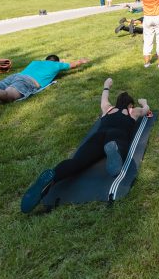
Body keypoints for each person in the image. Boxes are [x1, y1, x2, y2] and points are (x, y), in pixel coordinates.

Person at [21, 78, 149, 213]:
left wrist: (107, 85)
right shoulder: (132, 112)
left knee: (77, 162)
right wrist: (143, 102)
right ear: (130, 105)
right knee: (120, 145)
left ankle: (55, 175)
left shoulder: (107, 108)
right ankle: (114, 151)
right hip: (116, 135)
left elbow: (104, 96)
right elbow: (146, 110)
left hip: (98, 136)